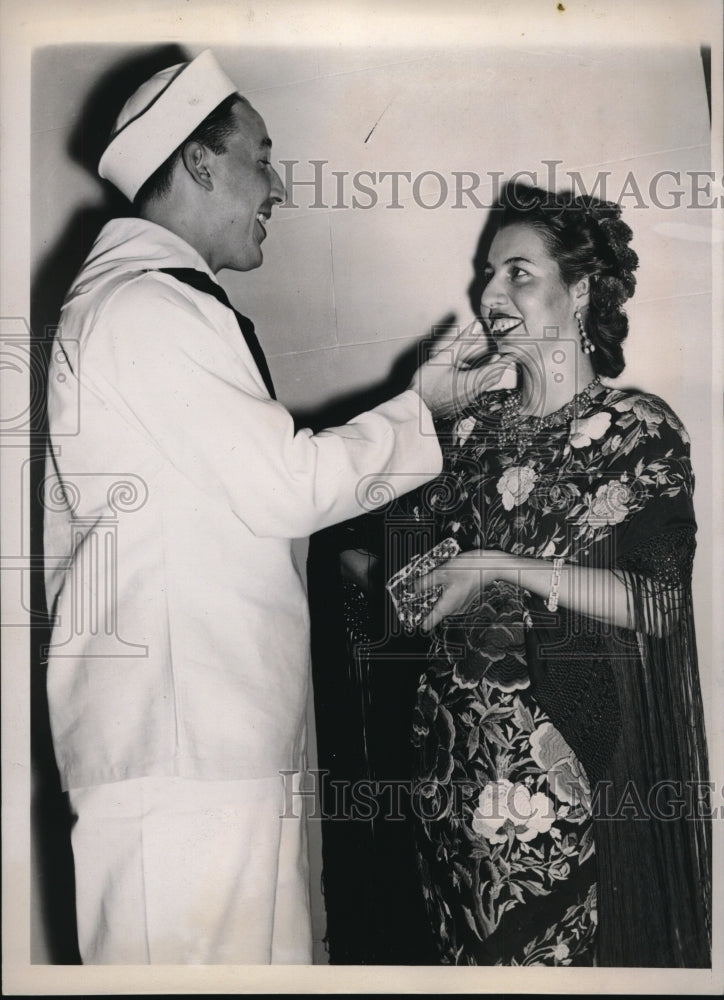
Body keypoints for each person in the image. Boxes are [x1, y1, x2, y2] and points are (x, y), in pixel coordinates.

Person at [42, 48, 488, 965]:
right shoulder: (146, 311)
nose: (277, 187)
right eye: (261, 157)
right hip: (188, 753)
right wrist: (425, 405)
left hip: (206, 744)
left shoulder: (139, 309)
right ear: (199, 162)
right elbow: (287, 486)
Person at [319, 181, 711, 966]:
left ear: (582, 291)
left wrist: (501, 567)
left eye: (518, 273)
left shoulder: (636, 428)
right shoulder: (465, 434)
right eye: (487, 274)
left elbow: (658, 601)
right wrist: (390, 570)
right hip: (442, 785)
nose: (489, 293)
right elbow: (382, 576)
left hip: (559, 788)